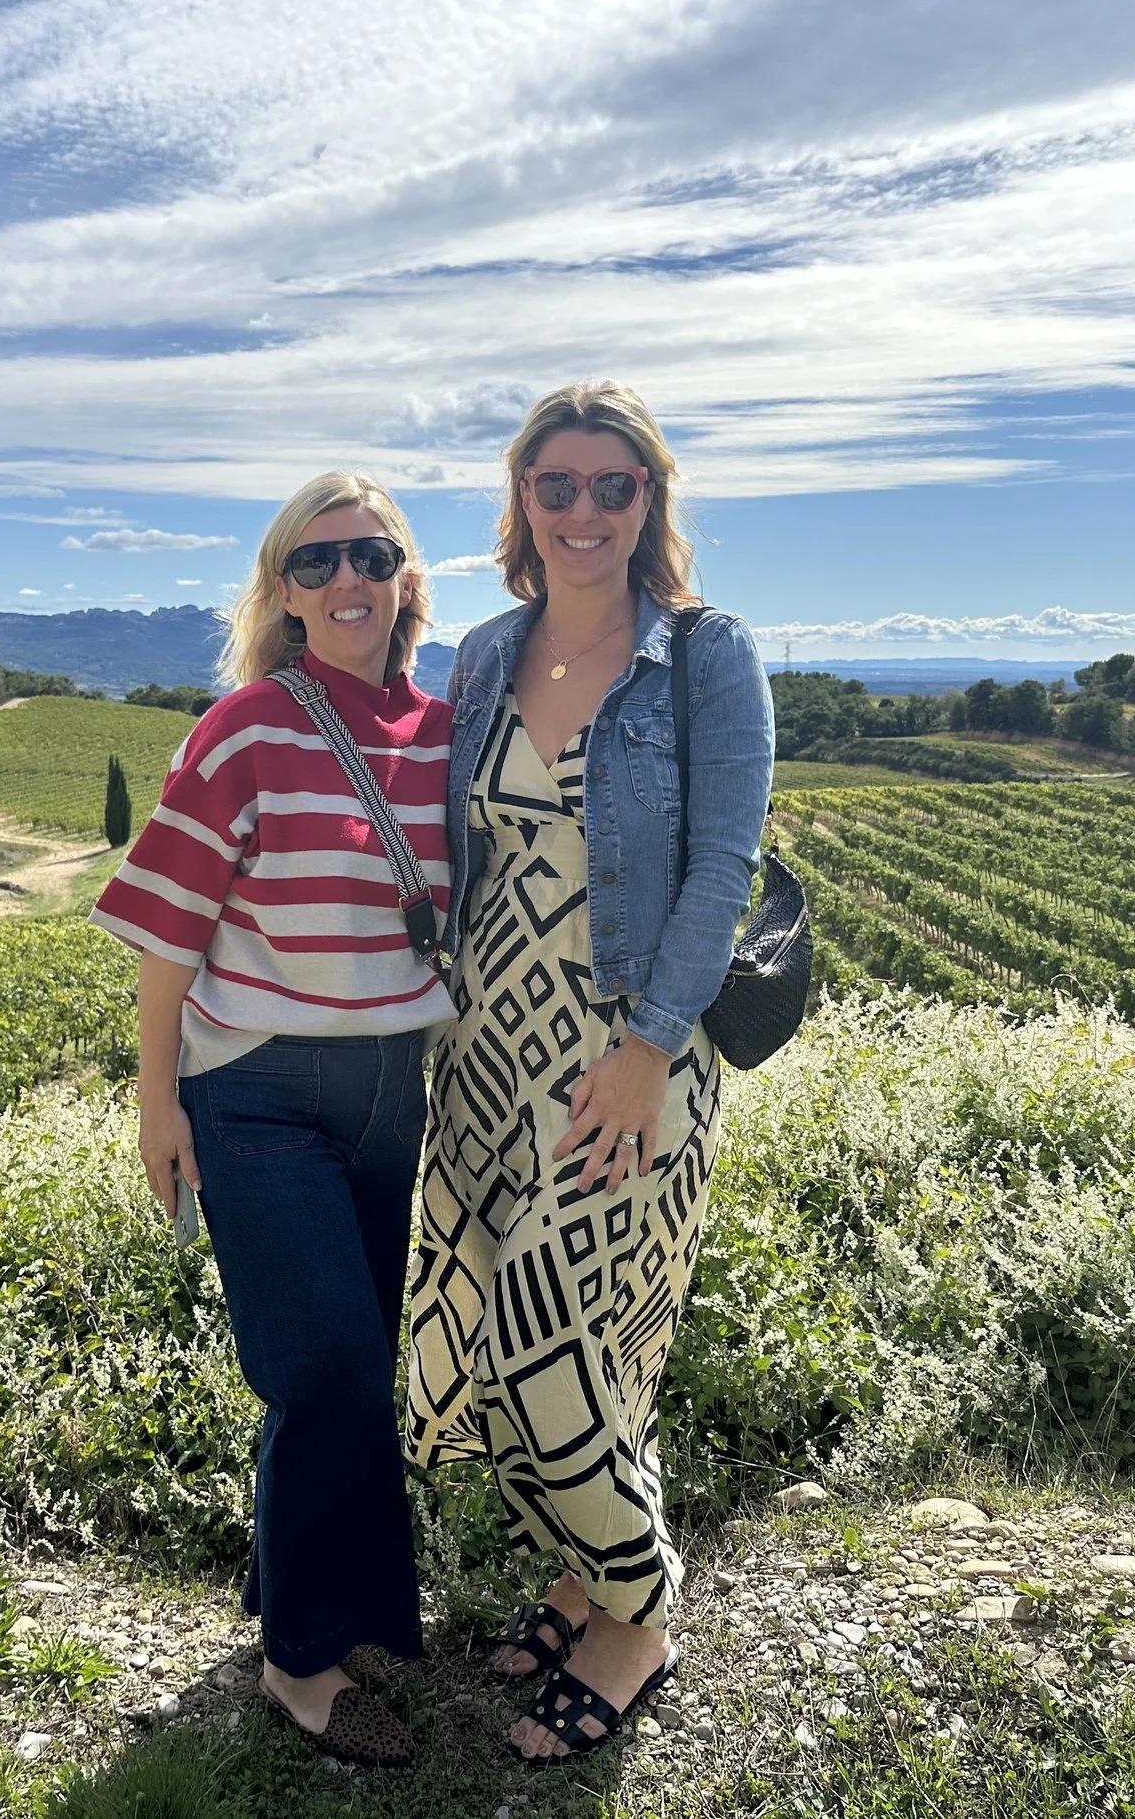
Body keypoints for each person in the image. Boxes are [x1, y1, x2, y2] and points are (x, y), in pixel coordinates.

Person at [405, 381, 775, 1763]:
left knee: (543, 1347)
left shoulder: (704, 653)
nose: (581, 511)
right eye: (554, 485)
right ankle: (579, 1572)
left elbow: (725, 865)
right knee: (518, 1351)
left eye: (610, 486)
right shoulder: (487, 654)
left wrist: (646, 1047)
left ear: (649, 502)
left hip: (625, 1053)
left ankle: (638, 1612)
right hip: (486, 1051)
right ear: (520, 503)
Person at [91, 471, 452, 1769]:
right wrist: (157, 1103)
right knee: (329, 1372)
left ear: (407, 576)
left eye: (371, 555)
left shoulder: (446, 731)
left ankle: (305, 1598)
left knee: (347, 1370)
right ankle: (302, 1663)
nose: (346, 581)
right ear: (282, 594)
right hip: (256, 1093)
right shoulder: (246, 729)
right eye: (316, 564)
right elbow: (165, 936)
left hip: (389, 1093)